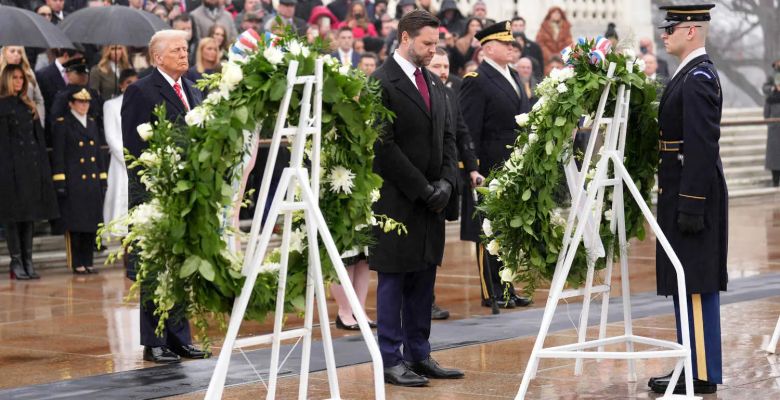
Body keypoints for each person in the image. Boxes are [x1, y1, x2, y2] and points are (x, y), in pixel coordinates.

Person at [370, 9, 463, 387]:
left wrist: (445, 182)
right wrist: (422, 188)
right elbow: (382, 146)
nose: (432, 51)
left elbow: (448, 136)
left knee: (424, 279)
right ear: (405, 38)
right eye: (426, 44)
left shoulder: (435, 83)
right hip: (398, 200)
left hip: (431, 201)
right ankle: (391, 359)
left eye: (436, 43)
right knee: (394, 280)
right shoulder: (381, 82)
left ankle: (419, 354)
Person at [649, 4, 726, 395]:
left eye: (672, 28)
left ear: (691, 31)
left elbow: (701, 145)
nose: (665, 34)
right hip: (681, 189)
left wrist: (691, 203)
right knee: (687, 283)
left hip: (690, 193)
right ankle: (694, 365)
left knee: (694, 283)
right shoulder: (688, 74)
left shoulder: (696, 78)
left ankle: (698, 373)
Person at [121, 29, 208, 364]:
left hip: (187, 193)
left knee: (181, 267)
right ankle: (153, 340)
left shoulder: (193, 88)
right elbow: (134, 150)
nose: (184, 56)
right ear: (157, 57)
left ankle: (179, 337)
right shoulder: (141, 91)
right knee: (155, 268)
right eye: (176, 51)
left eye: (185, 50)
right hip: (155, 194)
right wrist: (146, 195)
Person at [459, 21, 532, 310]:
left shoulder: (512, 75)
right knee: (488, 231)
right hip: (488, 166)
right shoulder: (476, 79)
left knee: (507, 231)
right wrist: (472, 166)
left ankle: (507, 285)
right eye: (506, 44)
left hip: (512, 165)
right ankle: (492, 290)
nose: (512, 48)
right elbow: (469, 128)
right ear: (488, 48)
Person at [427, 47, 482, 321]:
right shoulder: (421, 93)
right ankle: (421, 301)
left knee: (435, 245)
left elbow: (461, 132)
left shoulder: (450, 93)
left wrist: (472, 168)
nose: (443, 71)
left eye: (446, 66)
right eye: (437, 66)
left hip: (445, 179)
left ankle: (428, 300)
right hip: (421, 179)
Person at [0, 64, 59, 280]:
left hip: (30, 170)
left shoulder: (29, 107)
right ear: (7, 79)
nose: (18, 82)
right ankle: (16, 261)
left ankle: (28, 260)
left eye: (21, 78)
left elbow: (38, 141)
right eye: (14, 78)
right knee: (13, 218)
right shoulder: (2, 107)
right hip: (9, 170)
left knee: (29, 218)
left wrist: (43, 170)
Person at [50, 87, 107, 275]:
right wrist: (60, 182)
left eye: (87, 102)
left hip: (91, 181)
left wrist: (102, 178)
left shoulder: (91, 123)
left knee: (91, 224)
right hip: (74, 180)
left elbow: (98, 154)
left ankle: (88, 261)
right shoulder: (63, 124)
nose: (84, 105)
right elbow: (58, 156)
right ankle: (76, 262)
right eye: (80, 102)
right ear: (71, 104)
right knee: (76, 225)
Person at [102, 69, 138, 232]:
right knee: (121, 198)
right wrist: (128, 159)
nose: (133, 86)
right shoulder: (111, 105)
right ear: (122, 85)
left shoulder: (143, 103)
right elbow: (111, 137)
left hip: (141, 159)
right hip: (120, 161)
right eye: (129, 82)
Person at [1, 46, 45, 126]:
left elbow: (39, 100)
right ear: (4, 53)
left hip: (28, 124)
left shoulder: (29, 72)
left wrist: (39, 123)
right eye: (12, 51)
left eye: (19, 52)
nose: (16, 54)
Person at [536, 6, 572, 76]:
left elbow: (569, 43)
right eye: (554, 13)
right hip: (547, 60)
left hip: (562, 59)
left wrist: (561, 55)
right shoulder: (544, 27)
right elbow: (540, 43)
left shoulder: (566, 27)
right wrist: (549, 55)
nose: (556, 15)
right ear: (550, 15)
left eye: (558, 13)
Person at [510, 16, 544, 82]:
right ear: (511, 27)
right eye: (515, 25)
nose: (518, 28)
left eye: (520, 25)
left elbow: (540, 69)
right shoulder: (506, 46)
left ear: (525, 27)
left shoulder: (534, 46)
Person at [764, 59, 780, 186]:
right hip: (775, 127)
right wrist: (773, 88)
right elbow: (765, 88)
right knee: (774, 155)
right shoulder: (771, 75)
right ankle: (775, 181)